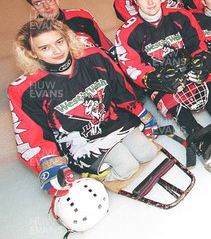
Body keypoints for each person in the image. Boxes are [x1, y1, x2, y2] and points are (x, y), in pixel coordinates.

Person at [8, 19, 159, 196]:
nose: (57, 51)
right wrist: (50, 164)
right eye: (45, 48)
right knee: (127, 166)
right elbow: (33, 134)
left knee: (148, 152)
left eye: (59, 42)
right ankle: (97, 170)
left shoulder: (94, 56)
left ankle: (109, 158)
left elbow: (121, 90)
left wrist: (144, 116)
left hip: (114, 122)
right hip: (81, 140)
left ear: (66, 38)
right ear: (31, 53)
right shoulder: (26, 88)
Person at [115, 0, 211, 159]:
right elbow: (132, 65)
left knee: (201, 79)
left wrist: (201, 58)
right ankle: (196, 133)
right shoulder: (127, 32)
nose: (150, 1)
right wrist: (152, 77)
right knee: (170, 96)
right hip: (159, 76)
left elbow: (196, 41)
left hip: (185, 66)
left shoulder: (179, 14)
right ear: (135, 2)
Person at [24, 0, 113, 51]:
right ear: (33, 8)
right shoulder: (35, 32)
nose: (46, 7)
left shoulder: (81, 16)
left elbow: (104, 45)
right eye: (38, 4)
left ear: (56, 1)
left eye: (49, 0)